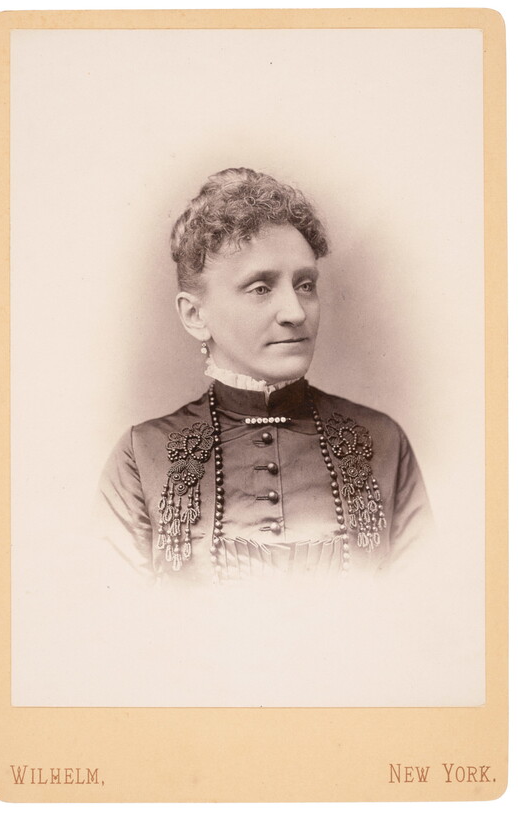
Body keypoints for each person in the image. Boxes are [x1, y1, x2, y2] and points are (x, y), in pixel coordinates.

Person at [97, 167, 432, 585]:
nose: (295, 312)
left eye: (305, 285)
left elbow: (422, 605)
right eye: (261, 288)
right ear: (195, 315)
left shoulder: (383, 442)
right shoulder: (141, 455)